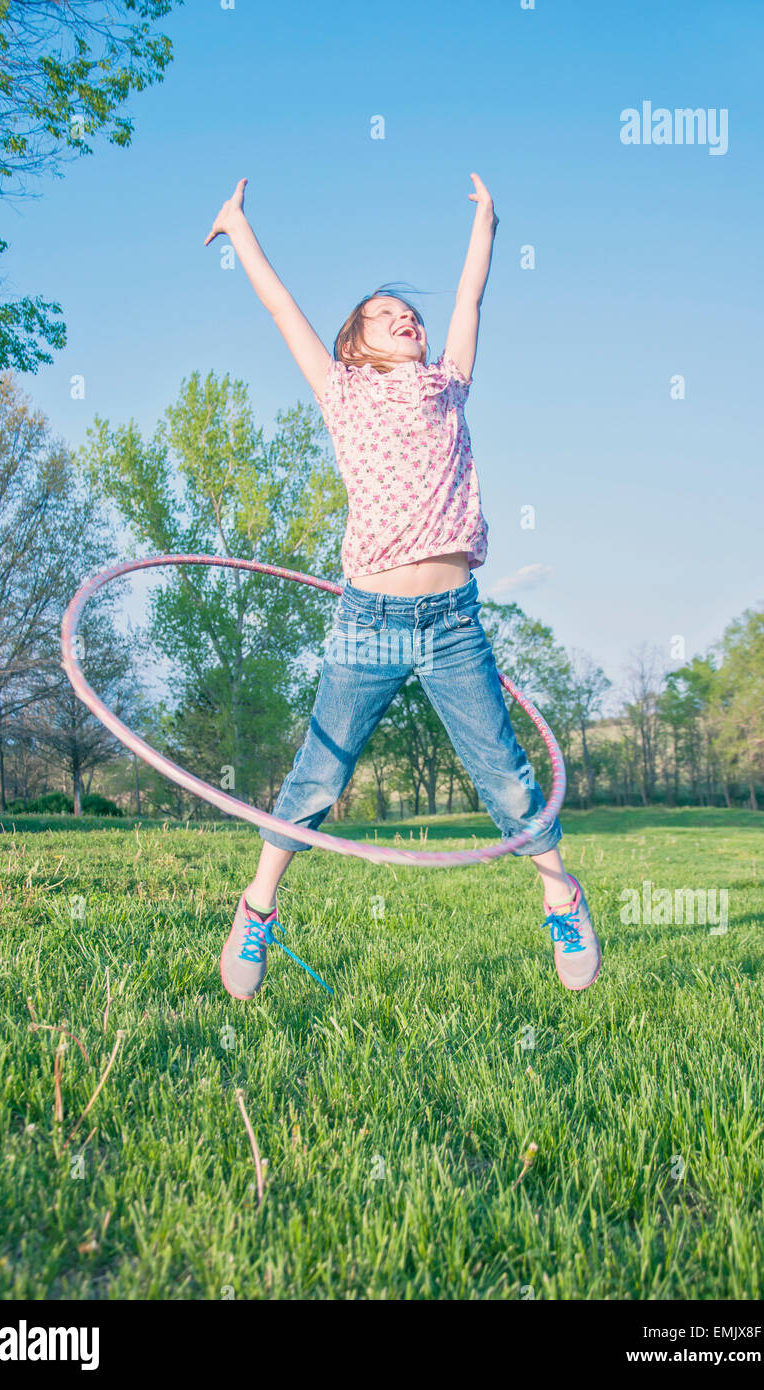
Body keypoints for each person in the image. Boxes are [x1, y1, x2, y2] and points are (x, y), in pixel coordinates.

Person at [204, 173, 601, 1000]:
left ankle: (561, 897)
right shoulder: (339, 390)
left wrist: (487, 220)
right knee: (320, 770)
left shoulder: (446, 383)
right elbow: (283, 311)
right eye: (388, 317)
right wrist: (239, 230)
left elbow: (470, 299)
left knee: (500, 770)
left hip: (452, 620)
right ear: (356, 345)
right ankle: (256, 910)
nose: (407, 320)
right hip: (369, 617)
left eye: (409, 315)